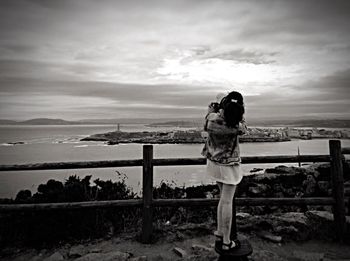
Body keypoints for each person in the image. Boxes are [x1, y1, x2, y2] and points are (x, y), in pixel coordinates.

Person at [201, 91, 247, 253]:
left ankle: (220, 231)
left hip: (213, 162)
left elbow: (207, 120)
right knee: (227, 201)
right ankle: (227, 242)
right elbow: (244, 128)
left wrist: (214, 109)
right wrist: (237, 110)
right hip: (229, 165)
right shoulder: (235, 124)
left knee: (222, 199)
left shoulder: (211, 120)